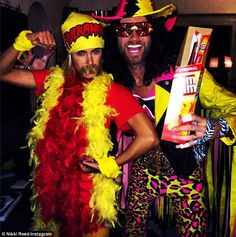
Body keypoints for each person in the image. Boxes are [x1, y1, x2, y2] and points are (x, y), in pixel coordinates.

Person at [0, 12, 159, 237]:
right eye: (81, 53)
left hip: (90, 206)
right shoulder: (51, 80)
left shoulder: (113, 92)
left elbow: (149, 137)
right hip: (52, 199)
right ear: (70, 55)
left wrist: (110, 163)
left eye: (96, 51)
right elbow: (2, 72)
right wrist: (23, 43)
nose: (90, 60)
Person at [92, 0, 236, 236]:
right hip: (142, 169)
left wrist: (214, 127)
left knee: (193, 233)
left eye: (143, 29)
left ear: (154, 34)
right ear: (114, 38)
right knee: (132, 230)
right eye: (125, 30)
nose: (134, 37)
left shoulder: (185, 73)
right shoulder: (110, 83)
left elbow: (232, 105)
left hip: (186, 171)